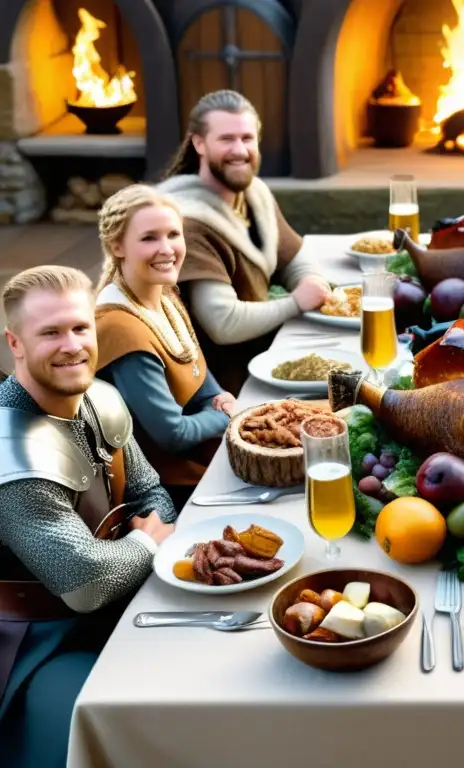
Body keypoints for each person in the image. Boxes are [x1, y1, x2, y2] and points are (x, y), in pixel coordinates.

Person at [0, 266, 177, 767]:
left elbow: (152, 495)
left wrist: (146, 536)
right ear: (14, 342)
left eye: (80, 328)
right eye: (50, 332)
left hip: (116, 602)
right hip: (35, 642)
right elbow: (84, 583)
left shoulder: (98, 398)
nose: (72, 345)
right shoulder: (10, 450)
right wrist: (146, 545)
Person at [157, 89, 331, 395]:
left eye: (247, 138)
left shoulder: (253, 195)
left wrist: (311, 282)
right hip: (222, 385)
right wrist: (295, 302)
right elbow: (223, 323)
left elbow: (297, 259)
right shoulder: (186, 221)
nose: (240, 150)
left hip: (264, 354)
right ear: (199, 143)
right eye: (226, 139)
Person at [94, 184, 236, 512]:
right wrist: (226, 414)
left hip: (199, 458)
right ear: (117, 246)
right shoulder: (120, 326)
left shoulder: (164, 298)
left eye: (174, 234)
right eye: (149, 238)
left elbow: (205, 388)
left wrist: (219, 408)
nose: (167, 248)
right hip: (165, 489)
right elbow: (172, 434)